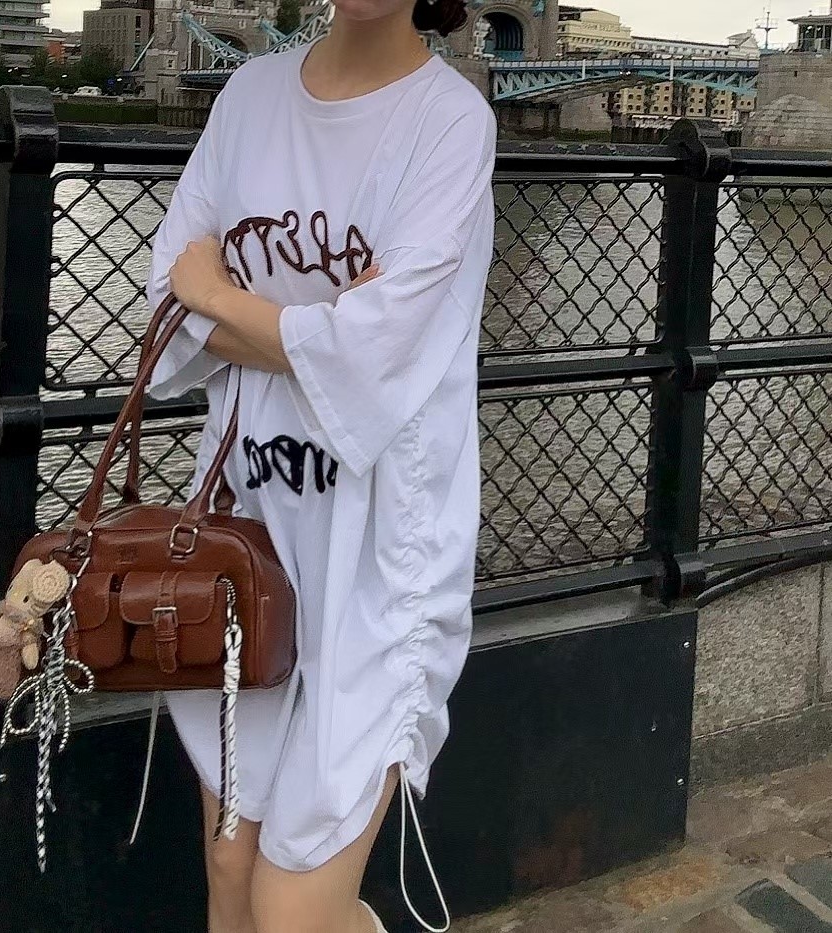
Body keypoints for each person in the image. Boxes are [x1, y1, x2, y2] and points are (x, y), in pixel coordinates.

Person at [145, 0, 497, 927]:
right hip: (242, 533)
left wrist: (223, 295)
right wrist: (319, 328)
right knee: (230, 872)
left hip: (382, 552)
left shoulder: (449, 122)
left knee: (291, 905)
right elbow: (166, 304)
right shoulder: (249, 95)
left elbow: (375, 347)